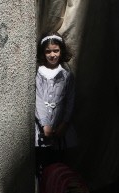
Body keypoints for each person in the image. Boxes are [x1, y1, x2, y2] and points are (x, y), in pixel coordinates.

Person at [35, 31, 77, 180]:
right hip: (42, 129)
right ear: (43, 52)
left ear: (61, 51)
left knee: (59, 164)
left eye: (56, 50)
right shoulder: (39, 73)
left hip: (61, 129)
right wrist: (45, 124)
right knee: (42, 165)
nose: (52, 55)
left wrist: (64, 123)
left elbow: (70, 101)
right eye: (48, 51)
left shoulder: (66, 76)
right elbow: (38, 99)